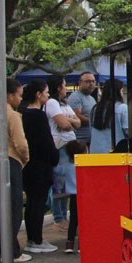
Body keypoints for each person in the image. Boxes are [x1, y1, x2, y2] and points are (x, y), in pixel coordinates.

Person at [0, 78, 31, 263]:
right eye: (19, 95)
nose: (20, 100)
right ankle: (12, 252)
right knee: (13, 208)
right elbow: (21, 143)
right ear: (10, 96)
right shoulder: (12, 115)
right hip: (10, 160)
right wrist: (23, 160)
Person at [20, 79, 60, 254]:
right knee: (38, 202)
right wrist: (54, 157)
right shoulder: (37, 115)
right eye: (46, 92)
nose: (48, 95)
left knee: (32, 203)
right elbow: (46, 142)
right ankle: (36, 239)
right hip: (40, 165)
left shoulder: (22, 113)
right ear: (38, 94)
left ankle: (33, 238)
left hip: (28, 165)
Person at [46, 75, 81, 231]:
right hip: (61, 146)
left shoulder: (65, 104)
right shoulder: (52, 103)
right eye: (64, 85)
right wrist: (71, 122)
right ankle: (58, 218)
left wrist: (71, 122)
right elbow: (64, 124)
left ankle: (64, 216)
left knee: (69, 182)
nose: (66, 88)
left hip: (71, 146)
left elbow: (77, 123)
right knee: (59, 182)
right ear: (58, 87)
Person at [90, 79, 129, 153]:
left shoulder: (95, 109)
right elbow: (128, 131)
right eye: (122, 91)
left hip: (95, 151)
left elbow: (91, 130)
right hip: (116, 152)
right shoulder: (123, 108)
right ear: (119, 92)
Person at [67, 71, 98, 145]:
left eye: (93, 81)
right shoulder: (75, 97)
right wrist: (95, 122)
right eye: (88, 81)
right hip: (80, 141)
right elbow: (77, 116)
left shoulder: (91, 98)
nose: (91, 84)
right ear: (80, 82)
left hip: (91, 139)